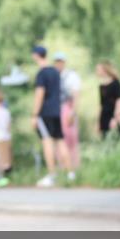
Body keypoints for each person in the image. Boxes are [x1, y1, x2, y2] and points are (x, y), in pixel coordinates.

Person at [30, 46, 72, 187]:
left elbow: (39, 94)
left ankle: (52, 175)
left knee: (47, 141)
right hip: (56, 111)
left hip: (45, 112)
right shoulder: (55, 72)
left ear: (36, 55)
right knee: (60, 141)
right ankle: (70, 173)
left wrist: (34, 114)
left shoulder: (41, 73)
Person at [53, 52, 81, 179]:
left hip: (68, 110)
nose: (58, 64)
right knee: (59, 141)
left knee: (71, 140)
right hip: (57, 111)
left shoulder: (71, 76)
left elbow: (76, 95)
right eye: (56, 61)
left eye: (60, 61)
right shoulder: (54, 76)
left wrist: (73, 112)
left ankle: (74, 169)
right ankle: (63, 169)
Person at [96, 60, 120, 140]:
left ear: (104, 70)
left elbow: (119, 102)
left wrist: (115, 119)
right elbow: (101, 104)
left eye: (98, 69)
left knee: (116, 139)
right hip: (104, 117)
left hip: (113, 116)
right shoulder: (101, 86)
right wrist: (98, 123)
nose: (97, 72)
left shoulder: (116, 83)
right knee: (105, 141)